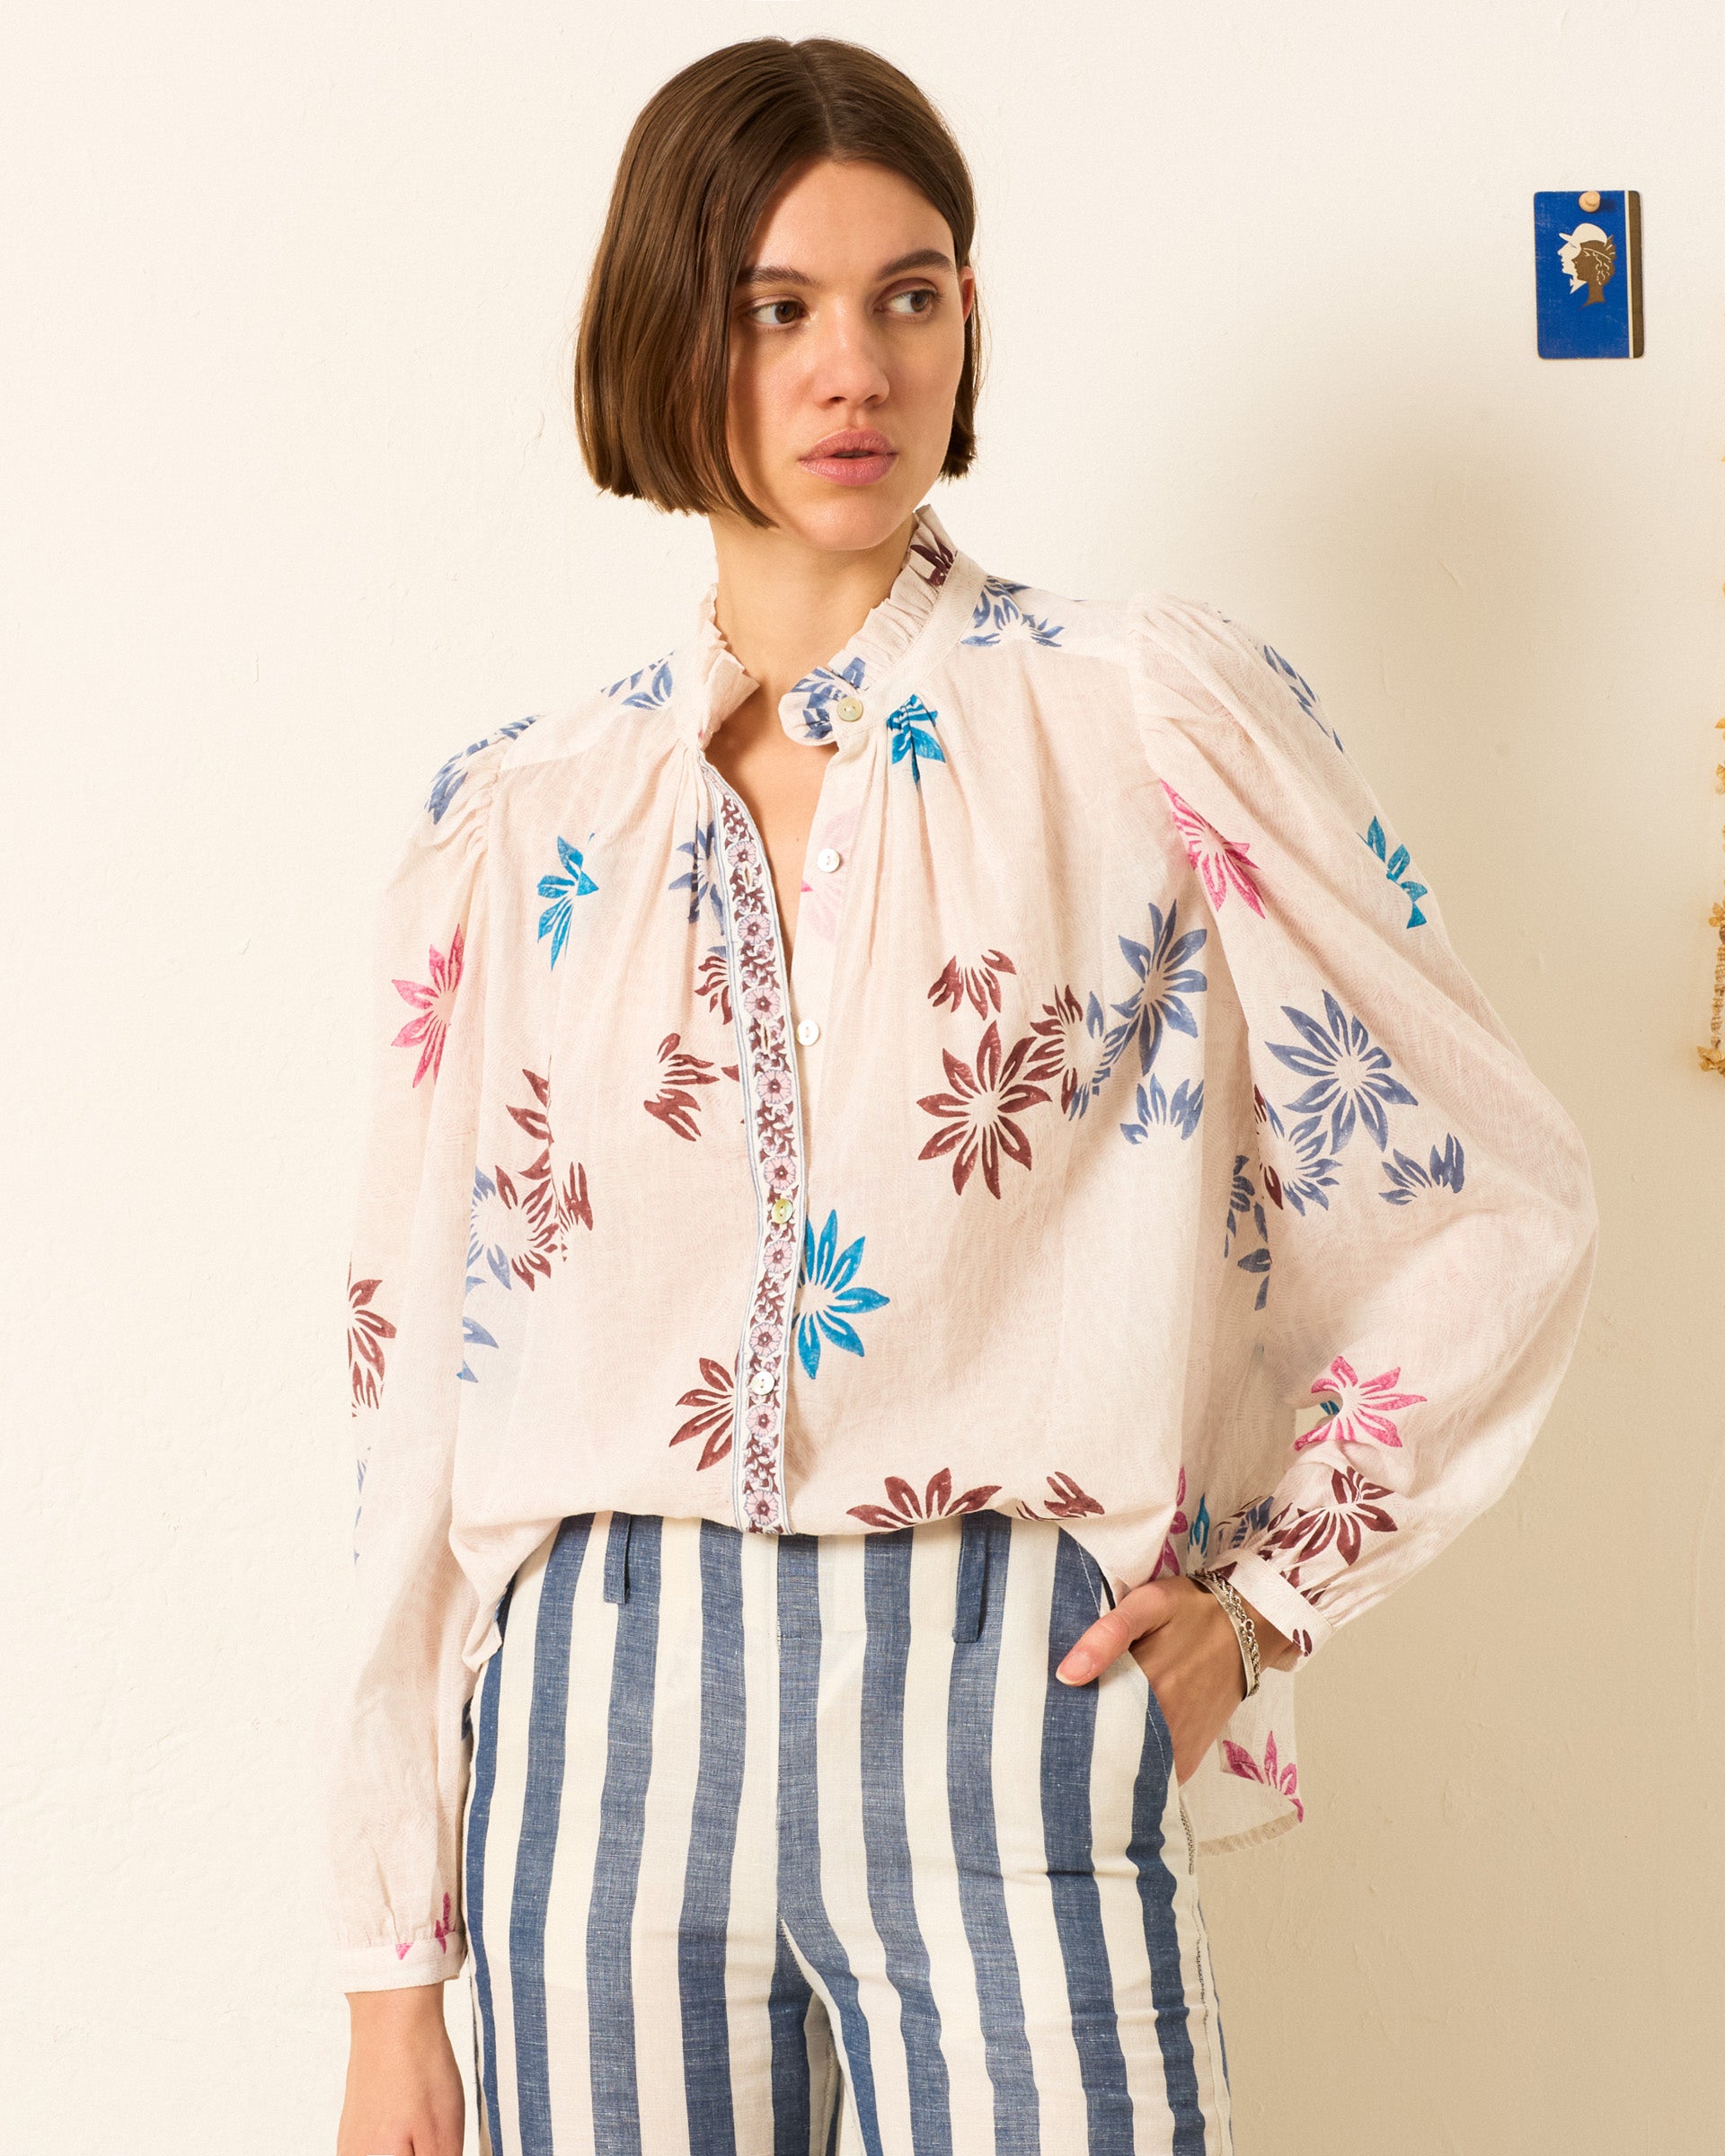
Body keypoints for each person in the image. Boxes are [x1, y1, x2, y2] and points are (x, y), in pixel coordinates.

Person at [325, 35, 1597, 2156]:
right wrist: (390, 1964)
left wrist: (1272, 1599)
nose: (855, 370)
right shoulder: (522, 818)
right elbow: (410, 1389)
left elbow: (1497, 1189)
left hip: (1012, 1695)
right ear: (670, 331)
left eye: (910, 295)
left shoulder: (1136, 721)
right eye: (778, 306)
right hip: (597, 1736)